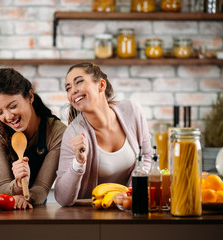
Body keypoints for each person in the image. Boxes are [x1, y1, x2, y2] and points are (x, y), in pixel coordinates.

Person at [54, 62, 152, 206]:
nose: (72, 91)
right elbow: (63, 198)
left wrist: (130, 194)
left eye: (79, 82)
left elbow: (147, 157)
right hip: (90, 215)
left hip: (129, 208)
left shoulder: (132, 110)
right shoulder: (73, 133)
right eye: (68, 88)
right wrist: (78, 163)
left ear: (101, 85)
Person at [0, 68, 66, 209]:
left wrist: (23, 196)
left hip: (30, 199)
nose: (8, 117)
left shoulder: (57, 133)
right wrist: (19, 184)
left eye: (13, 106)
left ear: (30, 96)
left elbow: (41, 189)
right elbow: (3, 187)